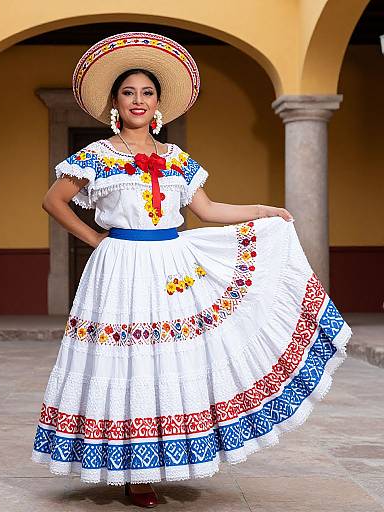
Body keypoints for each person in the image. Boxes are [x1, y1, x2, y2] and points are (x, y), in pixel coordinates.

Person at [31, 32, 352, 508]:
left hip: (171, 264)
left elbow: (208, 209)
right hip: (121, 267)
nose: (138, 100)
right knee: (128, 360)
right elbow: (53, 200)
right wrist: (97, 239)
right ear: (115, 103)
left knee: (171, 359)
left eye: (147, 92)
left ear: (158, 103)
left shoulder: (177, 159)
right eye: (128, 92)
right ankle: (130, 469)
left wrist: (263, 210)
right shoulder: (97, 155)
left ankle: (164, 458)